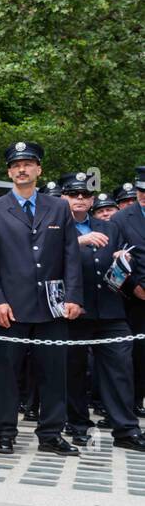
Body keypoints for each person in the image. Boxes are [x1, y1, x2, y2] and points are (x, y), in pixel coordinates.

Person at [0, 142, 83, 455]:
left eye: (28, 164)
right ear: (9, 172)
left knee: (54, 373)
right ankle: (5, 432)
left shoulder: (59, 207)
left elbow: (70, 256)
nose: (22, 169)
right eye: (16, 165)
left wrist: (74, 296)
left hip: (53, 306)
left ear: (39, 169)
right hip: (11, 306)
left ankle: (51, 434)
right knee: (6, 374)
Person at [60, 171, 145, 451]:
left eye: (85, 194)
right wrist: (78, 242)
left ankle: (126, 429)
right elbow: (42, 260)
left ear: (92, 199)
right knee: (74, 371)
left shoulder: (108, 226)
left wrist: (124, 259)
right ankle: (78, 425)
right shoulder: (54, 227)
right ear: (64, 198)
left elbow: (122, 257)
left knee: (120, 368)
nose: (80, 199)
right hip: (74, 309)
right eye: (74, 194)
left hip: (110, 308)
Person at [111, 167, 145, 417]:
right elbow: (115, 258)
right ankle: (133, 402)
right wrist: (134, 286)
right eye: (140, 190)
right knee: (136, 355)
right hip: (137, 297)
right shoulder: (121, 219)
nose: (142, 195)